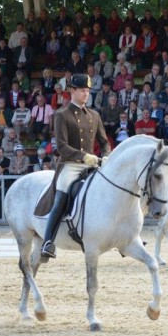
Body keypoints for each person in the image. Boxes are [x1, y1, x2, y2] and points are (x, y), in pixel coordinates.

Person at [39, 74, 111, 260]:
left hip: (92, 165)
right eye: (82, 90)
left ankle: (121, 236)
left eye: (88, 90)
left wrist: (106, 156)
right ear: (72, 91)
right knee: (62, 197)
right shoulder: (62, 115)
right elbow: (61, 146)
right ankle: (48, 241)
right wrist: (84, 156)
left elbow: (104, 142)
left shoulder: (94, 115)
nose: (86, 93)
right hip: (70, 165)